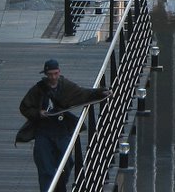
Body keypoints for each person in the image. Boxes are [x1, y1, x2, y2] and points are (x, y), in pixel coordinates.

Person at [20, 59, 111, 192]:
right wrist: (38, 113)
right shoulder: (38, 89)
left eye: (55, 73)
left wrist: (101, 92)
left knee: (68, 163)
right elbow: (24, 107)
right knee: (45, 168)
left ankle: (59, 187)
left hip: (62, 130)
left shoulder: (65, 86)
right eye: (50, 74)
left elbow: (83, 93)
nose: (53, 77)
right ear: (46, 74)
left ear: (59, 72)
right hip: (43, 132)